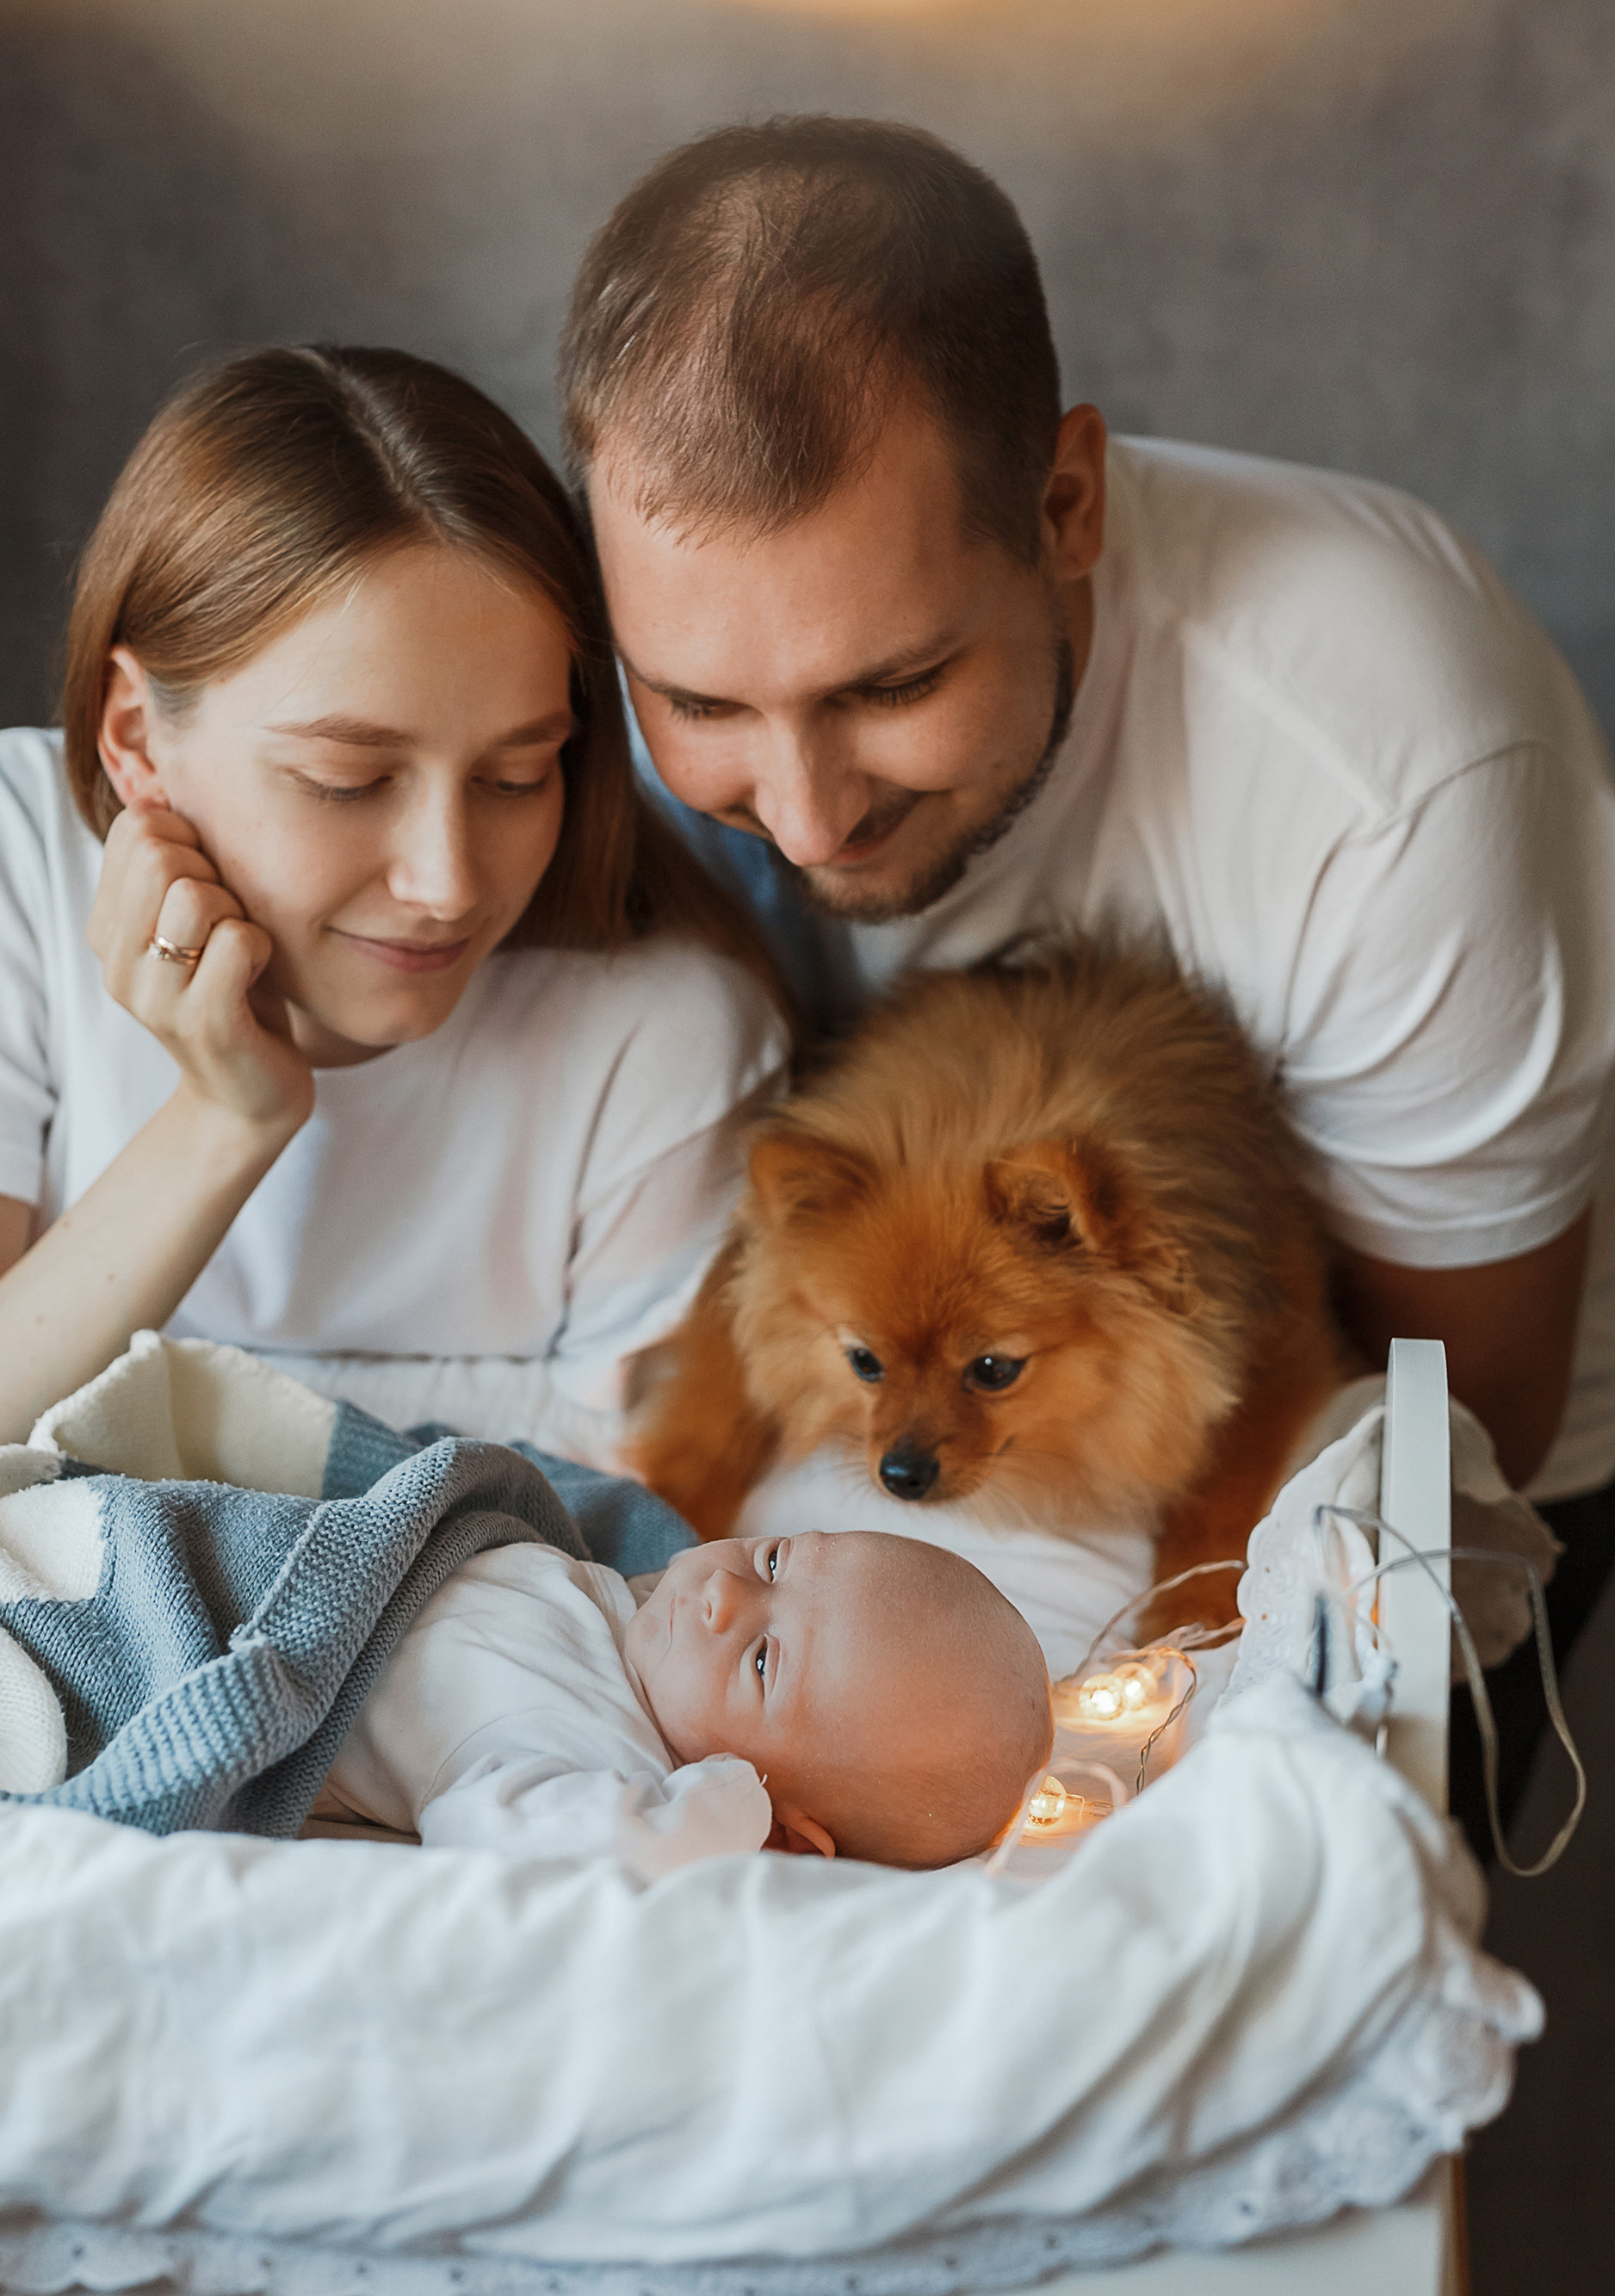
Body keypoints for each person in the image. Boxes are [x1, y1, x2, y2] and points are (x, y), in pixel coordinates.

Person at [558, 116, 1615, 1846]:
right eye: (707, 709)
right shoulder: (620, 663)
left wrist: (1113, 1723)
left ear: (1065, 505)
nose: (805, 811)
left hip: (1401, 1413)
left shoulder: (1397, 780)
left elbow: (1442, 1442)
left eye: (888, 682)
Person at [0, 345, 787, 1474]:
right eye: (347, 780)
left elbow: (628, 1518)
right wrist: (225, 1121)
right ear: (134, 735)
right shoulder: (7, 851)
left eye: (516, 777)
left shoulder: (665, 1038)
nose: (448, 883)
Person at [318, 1525, 1055, 1873]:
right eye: (774, 1560)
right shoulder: (630, 1610)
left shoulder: (602, 1767)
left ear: (783, 1833)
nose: (725, 1592)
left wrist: (717, 1814)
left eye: (764, 1661)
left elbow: (493, 1838)